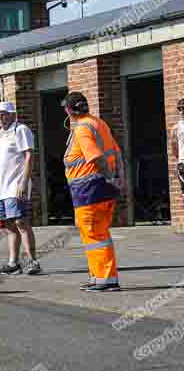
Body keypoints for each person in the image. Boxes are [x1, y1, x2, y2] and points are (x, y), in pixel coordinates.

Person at [62, 91, 125, 292]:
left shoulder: (82, 128)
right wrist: (119, 179)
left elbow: (96, 157)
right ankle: (98, 276)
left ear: (69, 111)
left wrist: (110, 176)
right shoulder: (99, 123)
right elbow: (117, 152)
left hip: (90, 190)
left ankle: (105, 279)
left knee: (94, 234)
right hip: (101, 189)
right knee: (98, 233)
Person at [0, 102, 41, 276]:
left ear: (13, 114)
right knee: (9, 225)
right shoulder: (2, 135)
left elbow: (29, 155)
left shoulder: (21, 130)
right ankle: (13, 263)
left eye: (3, 114)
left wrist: (23, 182)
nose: (0, 118)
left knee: (21, 222)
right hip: (2, 189)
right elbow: (1, 166)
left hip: (16, 186)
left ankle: (33, 262)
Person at [170, 99, 184, 195]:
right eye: (179, 109)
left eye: (183, 108)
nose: (181, 111)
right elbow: (174, 149)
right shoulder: (175, 128)